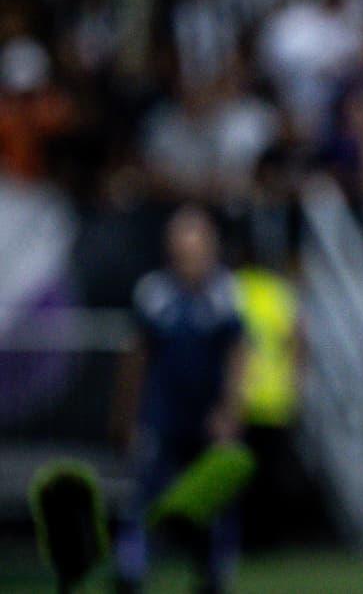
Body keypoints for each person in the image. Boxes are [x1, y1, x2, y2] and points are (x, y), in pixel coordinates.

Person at [113, 206, 246, 594]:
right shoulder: (155, 294)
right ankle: (130, 569)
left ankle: (213, 573)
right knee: (145, 492)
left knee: (213, 499)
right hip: (162, 414)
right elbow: (136, 358)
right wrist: (127, 415)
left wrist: (230, 412)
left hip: (207, 416)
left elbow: (237, 356)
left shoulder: (224, 293)